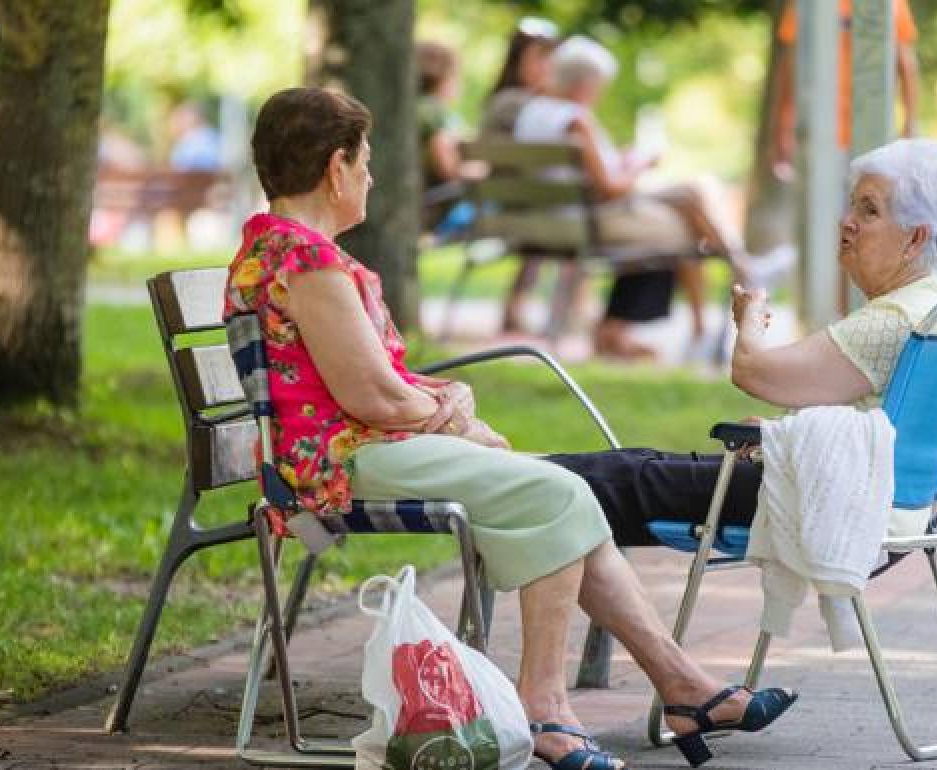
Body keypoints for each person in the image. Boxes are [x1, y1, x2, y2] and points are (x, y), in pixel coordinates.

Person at [225, 87, 796, 770]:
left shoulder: (285, 249)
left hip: (351, 450)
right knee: (552, 493)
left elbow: (367, 387)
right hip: (338, 465)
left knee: (556, 492)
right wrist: (457, 421)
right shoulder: (305, 260)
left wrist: (445, 408)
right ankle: (548, 707)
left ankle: (682, 688)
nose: (370, 177)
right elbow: (369, 393)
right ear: (335, 167)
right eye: (366, 161)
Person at [547, 138, 937, 548]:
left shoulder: (894, 319)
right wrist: (781, 435)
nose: (847, 221)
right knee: (629, 471)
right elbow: (874, 424)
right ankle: (518, 483)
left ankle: (512, 485)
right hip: (886, 503)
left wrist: (750, 318)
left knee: (610, 482)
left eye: (870, 210)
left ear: (915, 238)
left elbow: (755, 372)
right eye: (853, 204)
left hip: (826, 503)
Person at [515, 36, 765, 359]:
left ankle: (624, 329)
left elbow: (584, 173)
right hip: (590, 218)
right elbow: (610, 188)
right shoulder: (575, 120)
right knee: (688, 225)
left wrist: (620, 162)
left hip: (551, 213)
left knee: (689, 198)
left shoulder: (532, 112)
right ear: (584, 84)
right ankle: (734, 278)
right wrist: (640, 164)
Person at [771, 0, 920, 180]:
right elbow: (791, 67)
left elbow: (906, 65)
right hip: (820, 133)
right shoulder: (805, 4)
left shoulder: (888, 3)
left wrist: (909, 124)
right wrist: (782, 127)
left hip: (870, 133)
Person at [479, 17, 561, 334]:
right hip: (524, 211)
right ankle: (565, 314)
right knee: (574, 216)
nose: (549, 68)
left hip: (519, 207)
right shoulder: (524, 105)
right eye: (542, 59)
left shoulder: (501, 101)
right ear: (519, 62)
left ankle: (518, 306)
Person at [416, 41, 476, 239]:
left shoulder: (416, 106)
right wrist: (479, 172)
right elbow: (446, 166)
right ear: (444, 77)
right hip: (435, 201)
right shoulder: (434, 111)